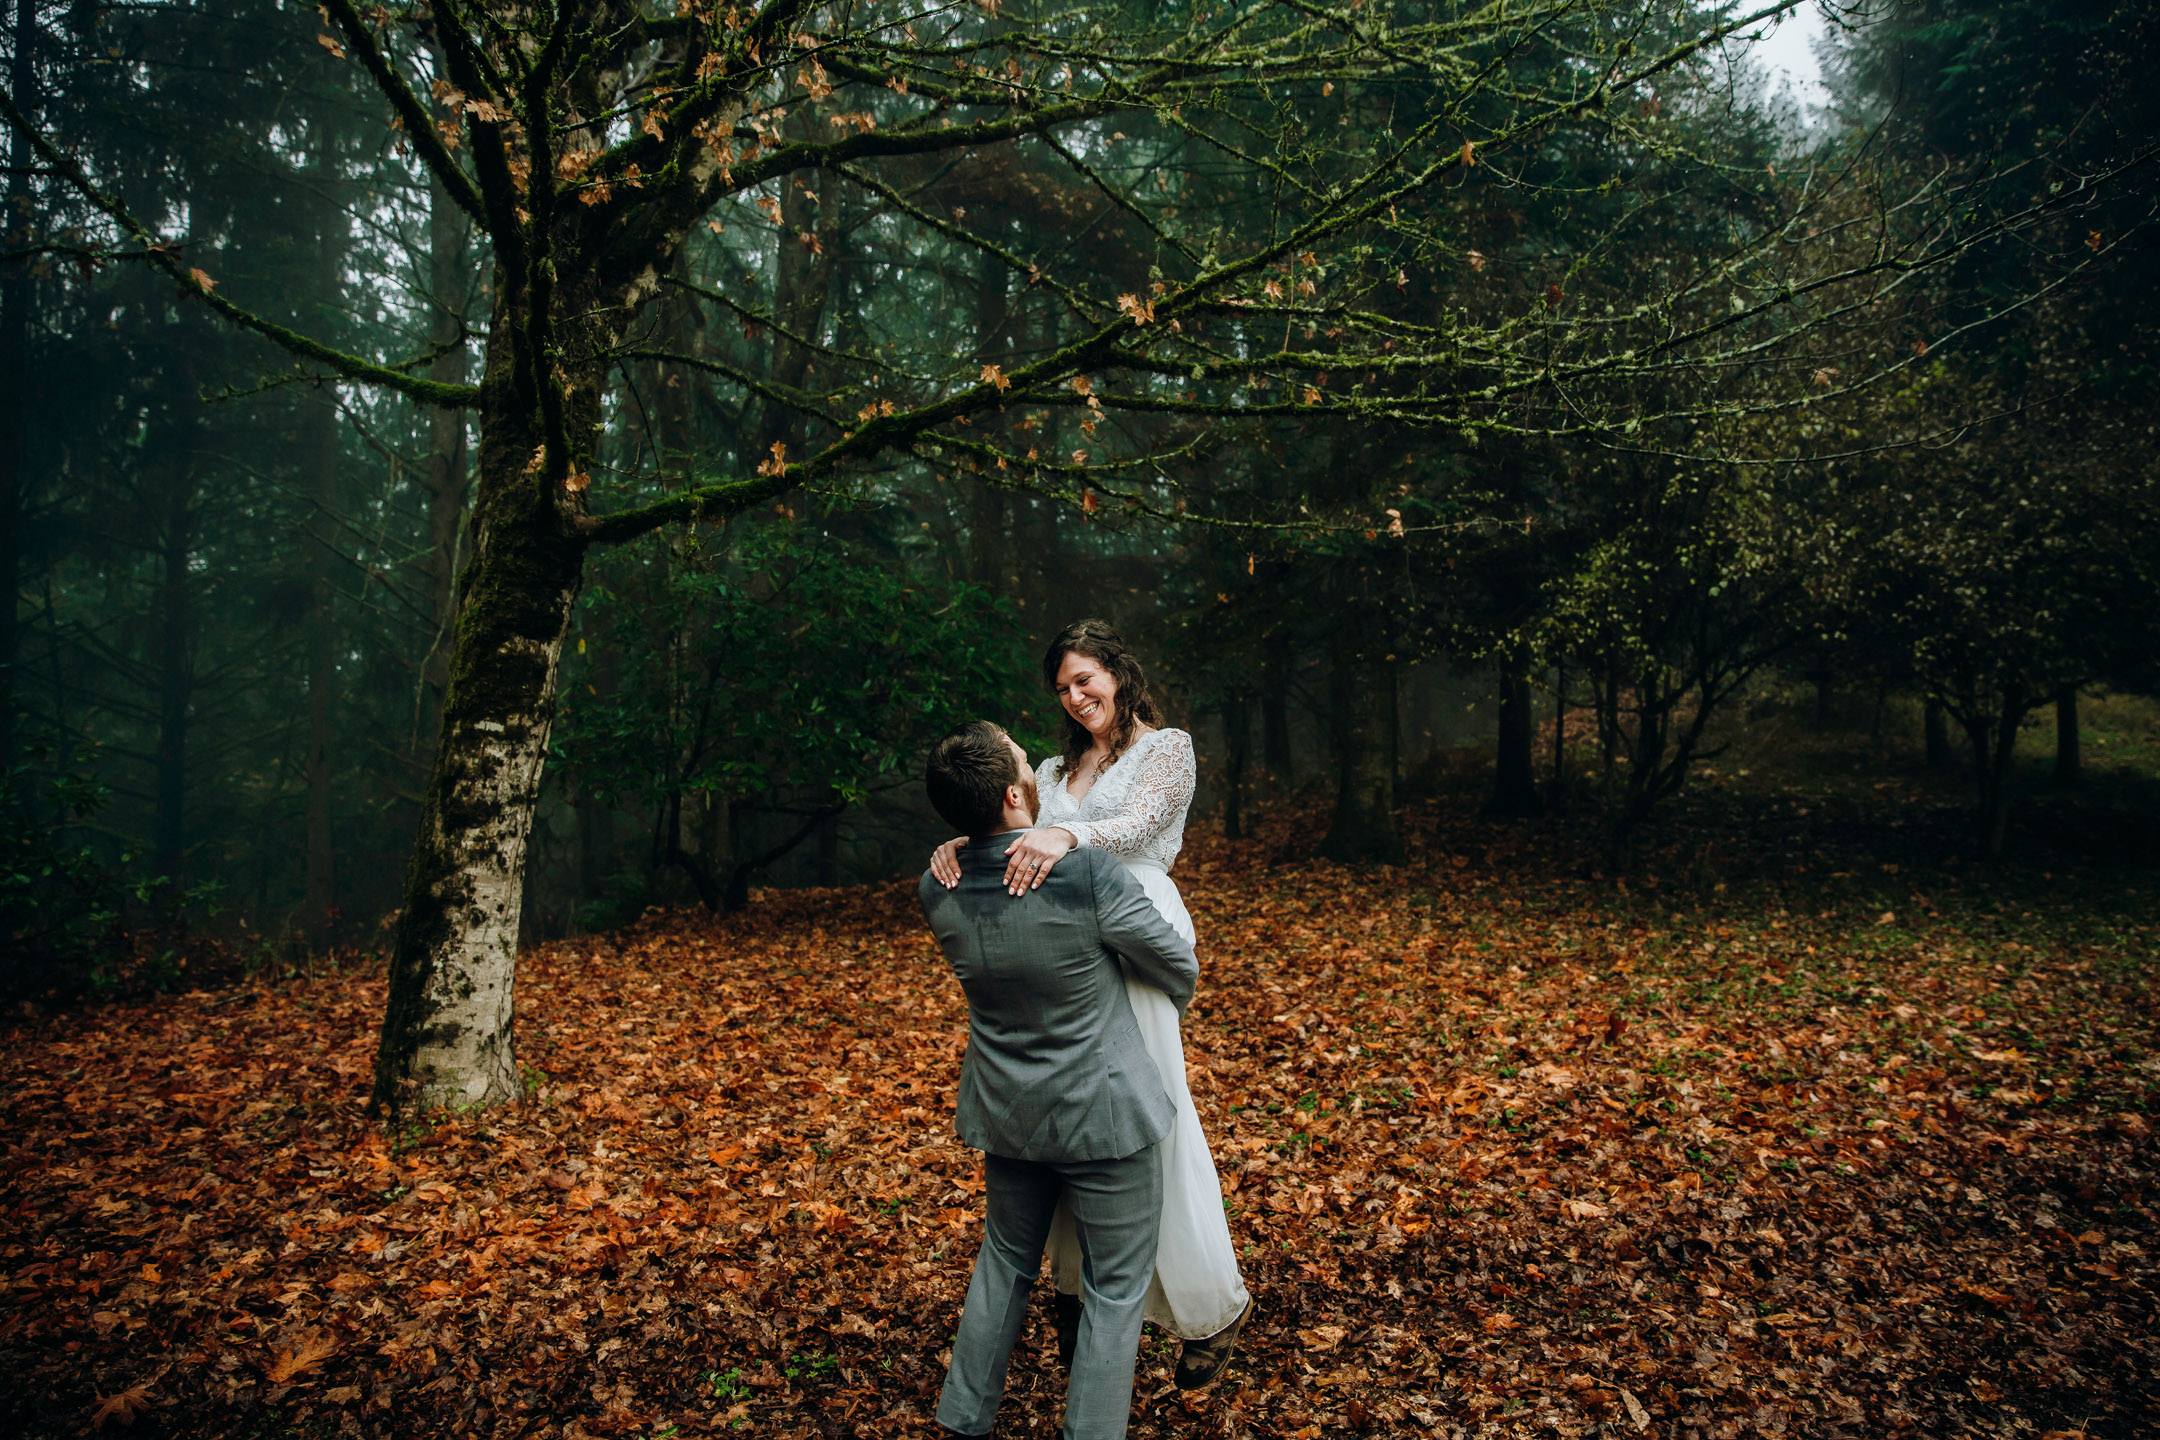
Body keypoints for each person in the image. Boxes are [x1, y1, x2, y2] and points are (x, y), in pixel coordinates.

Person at [929, 620, 1253, 1389]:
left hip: (1139, 926)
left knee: (1150, 1113)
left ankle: (1211, 1303)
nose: (1077, 699)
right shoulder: (1047, 767)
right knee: (1085, 1122)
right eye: (1064, 690)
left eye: (1086, 680)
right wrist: (959, 846)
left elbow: (1138, 827)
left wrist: (1067, 838)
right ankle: (1085, 1297)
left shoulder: (1166, 747)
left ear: (1117, 671)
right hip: (1072, 941)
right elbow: (1010, 833)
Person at [920, 721, 1197, 1439]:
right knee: (1113, 1291)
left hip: (1010, 1111)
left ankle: (962, 1421)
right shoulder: (1086, 874)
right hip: (1105, 1114)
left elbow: (982, 862)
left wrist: (965, 839)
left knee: (1005, 1263)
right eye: (1026, 766)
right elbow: (1177, 968)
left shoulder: (937, 883)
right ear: (1016, 794)